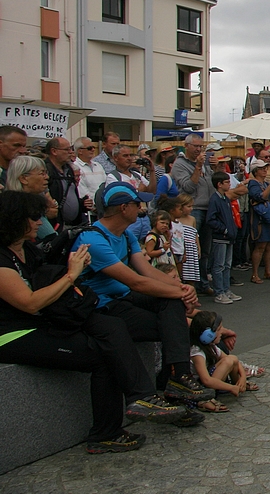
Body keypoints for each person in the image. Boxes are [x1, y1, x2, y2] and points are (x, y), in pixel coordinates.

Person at [0, 191, 198, 453]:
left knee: (112, 330)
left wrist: (180, 290)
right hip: (13, 333)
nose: (39, 222)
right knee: (104, 354)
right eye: (33, 217)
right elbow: (30, 303)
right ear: (16, 220)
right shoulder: (2, 259)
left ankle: (148, 396)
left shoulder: (27, 250)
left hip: (47, 320)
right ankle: (109, 429)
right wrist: (72, 275)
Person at [73, 181, 214, 404]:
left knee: (172, 307)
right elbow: (136, 281)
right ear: (123, 208)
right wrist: (179, 293)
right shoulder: (93, 239)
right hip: (102, 305)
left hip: (123, 297)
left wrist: (181, 288)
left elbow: (148, 270)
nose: (142, 208)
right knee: (173, 322)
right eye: (137, 203)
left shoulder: (126, 235)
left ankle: (180, 375)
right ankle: (171, 382)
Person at [170, 134, 217, 287]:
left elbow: (212, 182)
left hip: (208, 207)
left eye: (201, 146)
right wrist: (197, 167)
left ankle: (203, 283)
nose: (198, 149)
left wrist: (215, 168)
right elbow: (189, 187)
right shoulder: (179, 164)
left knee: (205, 249)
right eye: (195, 146)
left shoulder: (204, 162)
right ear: (186, 146)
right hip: (193, 209)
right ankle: (190, 283)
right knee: (191, 250)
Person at [188, 311, 257, 402]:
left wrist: (243, 377)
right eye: (219, 329)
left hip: (210, 379)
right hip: (202, 386)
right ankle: (231, 387)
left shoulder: (211, 346)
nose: (222, 332)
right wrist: (230, 388)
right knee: (228, 361)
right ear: (207, 335)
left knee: (232, 358)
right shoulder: (197, 353)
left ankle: (239, 385)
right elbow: (206, 380)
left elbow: (234, 359)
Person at [246, 159, 270, 284]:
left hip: (269, 215)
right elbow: (260, 197)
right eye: (261, 168)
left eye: (265, 168)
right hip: (260, 218)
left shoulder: (266, 184)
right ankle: (255, 274)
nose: (265, 170)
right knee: (260, 245)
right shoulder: (253, 184)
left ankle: (267, 271)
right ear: (255, 171)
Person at [207, 172, 240, 304]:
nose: (229, 184)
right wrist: (224, 229)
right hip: (221, 237)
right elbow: (211, 219)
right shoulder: (215, 199)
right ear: (219, 184)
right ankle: (219, 292)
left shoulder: (225, 198)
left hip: (228, 237)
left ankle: (226, 290)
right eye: (226, 182)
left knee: (227, 265)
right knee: (219, 265)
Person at [45, 137, 89, 227]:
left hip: (72, 224)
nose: (70, 152)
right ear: (54, 151)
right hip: (55, 224)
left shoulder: (69, 169)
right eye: (67, 149)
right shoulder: (45, 170)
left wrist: (81, 204)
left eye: (71, 149)